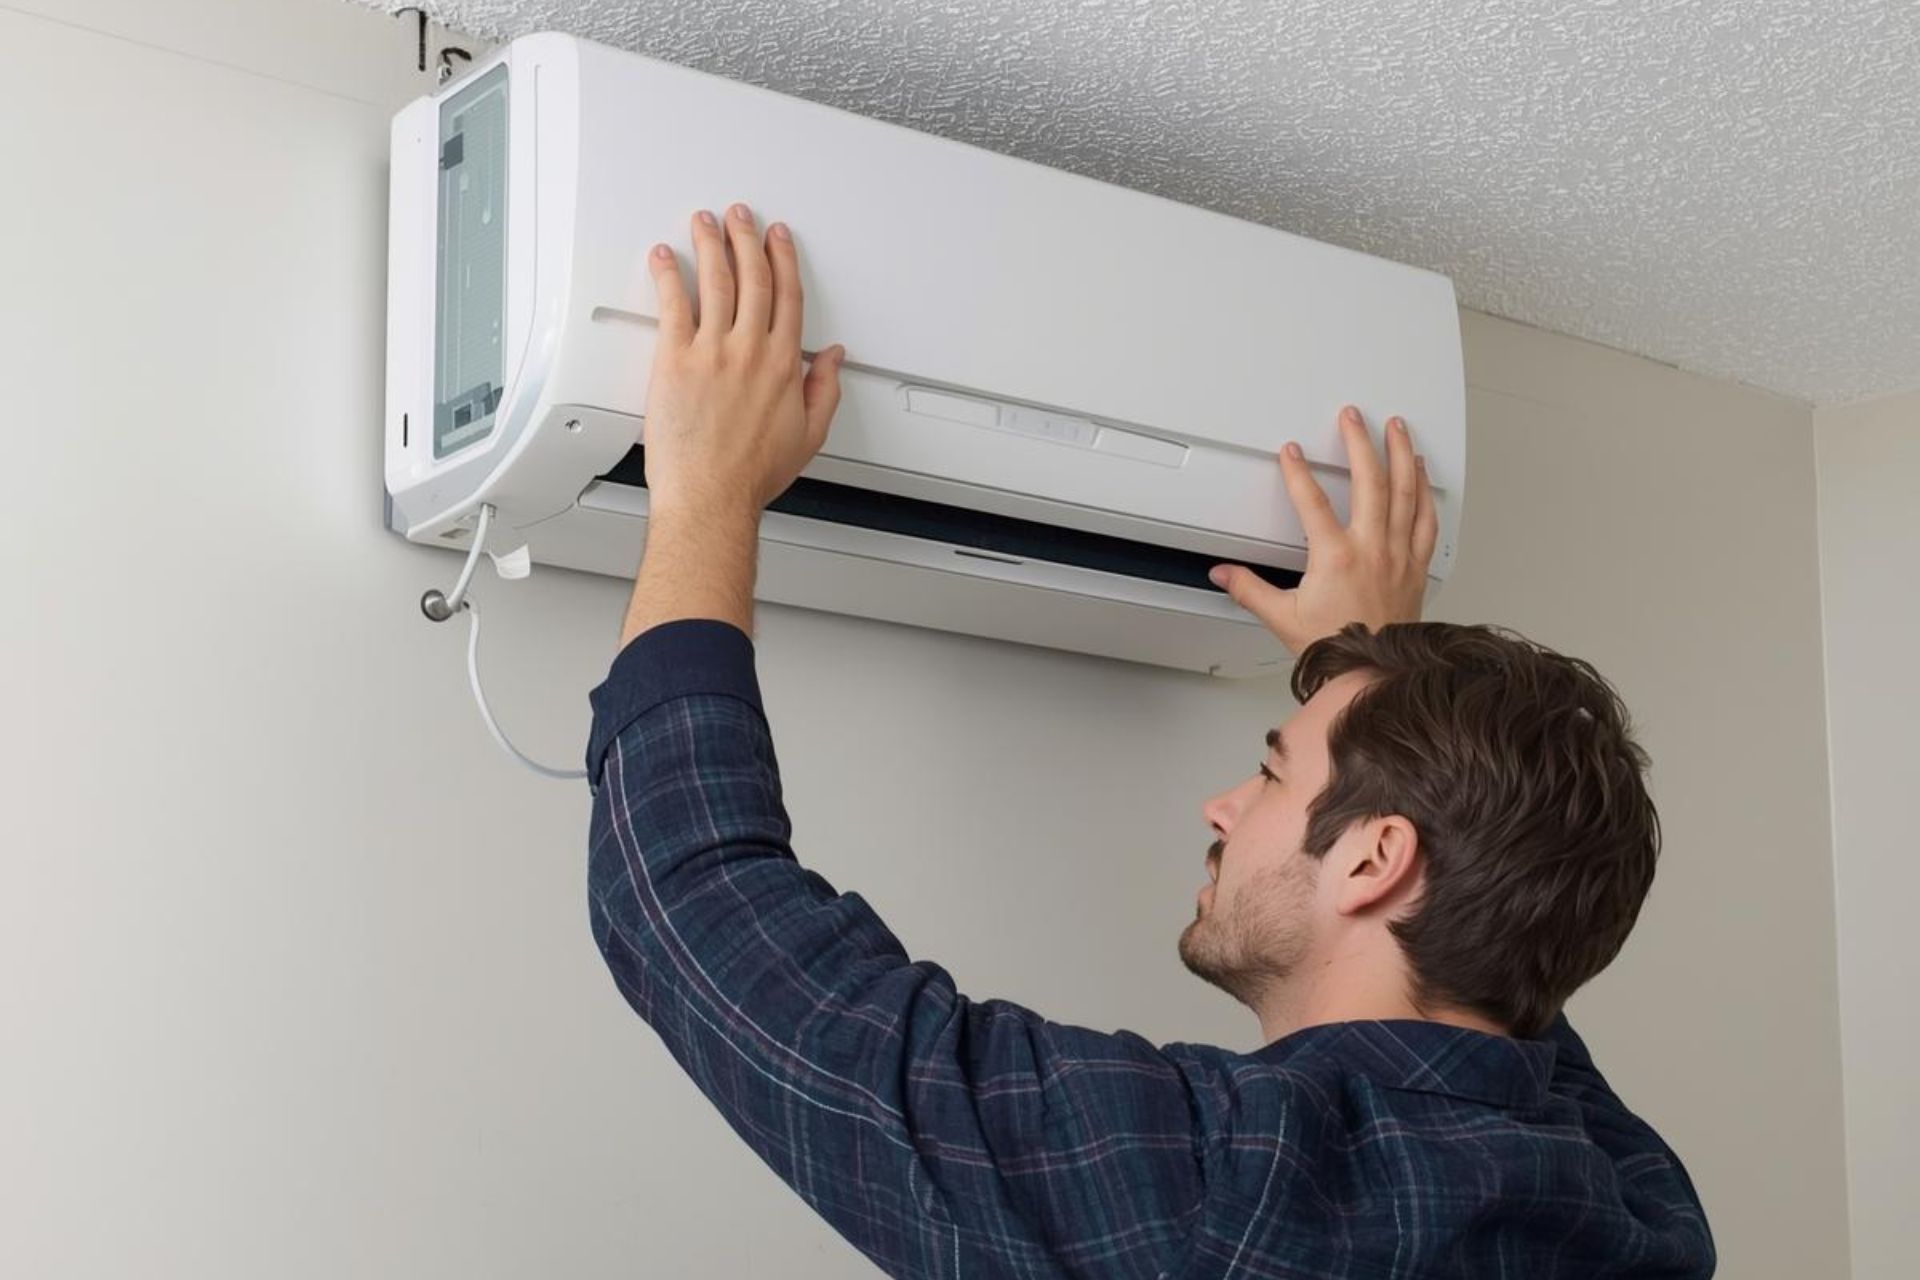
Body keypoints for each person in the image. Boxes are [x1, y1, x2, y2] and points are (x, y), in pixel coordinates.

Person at [585, 202, 1716, 1278]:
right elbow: (1500, 958)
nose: (1223, 804)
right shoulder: (1629, 1203)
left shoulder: (1223, 1193)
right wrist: (1383, 676)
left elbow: (693, 905)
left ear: (1376, 859)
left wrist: (706, 497)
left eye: (1271, 769)